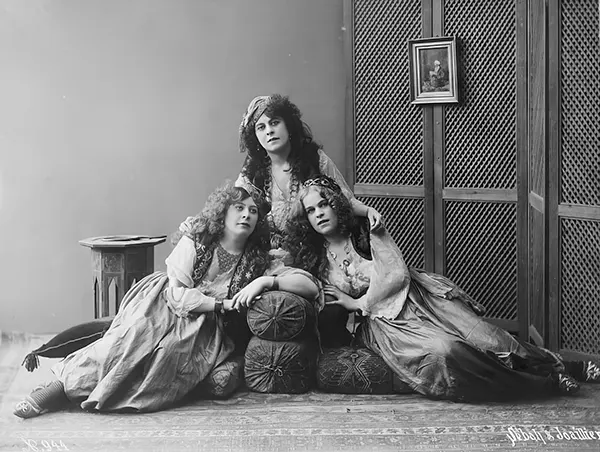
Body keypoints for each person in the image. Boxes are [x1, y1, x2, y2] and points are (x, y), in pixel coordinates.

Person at [14, 183, 320, 419]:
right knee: (133, 337)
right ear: (222, 212)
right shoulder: (198, 239)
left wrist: (268, 281)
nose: (246, 215)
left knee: (170, 352)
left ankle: (106, 395)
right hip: (162, 303)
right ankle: (53, 392)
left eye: (253, 211)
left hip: (204, 329)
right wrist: (220, 305)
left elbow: (309, 285)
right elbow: (176, 294)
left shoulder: (258, 260)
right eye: (239, 208)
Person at [284, 175, 600, 402]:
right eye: (311, 210)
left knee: (488, 338)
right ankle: (542, 384)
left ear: (338, 204)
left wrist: (356, 302)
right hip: (385, 326)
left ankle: (566, 365)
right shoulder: (317, 260)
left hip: (417, 300)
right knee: (448, 352)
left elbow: (396, 275)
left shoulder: (366, 230)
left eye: (324, 204)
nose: (319, 213)